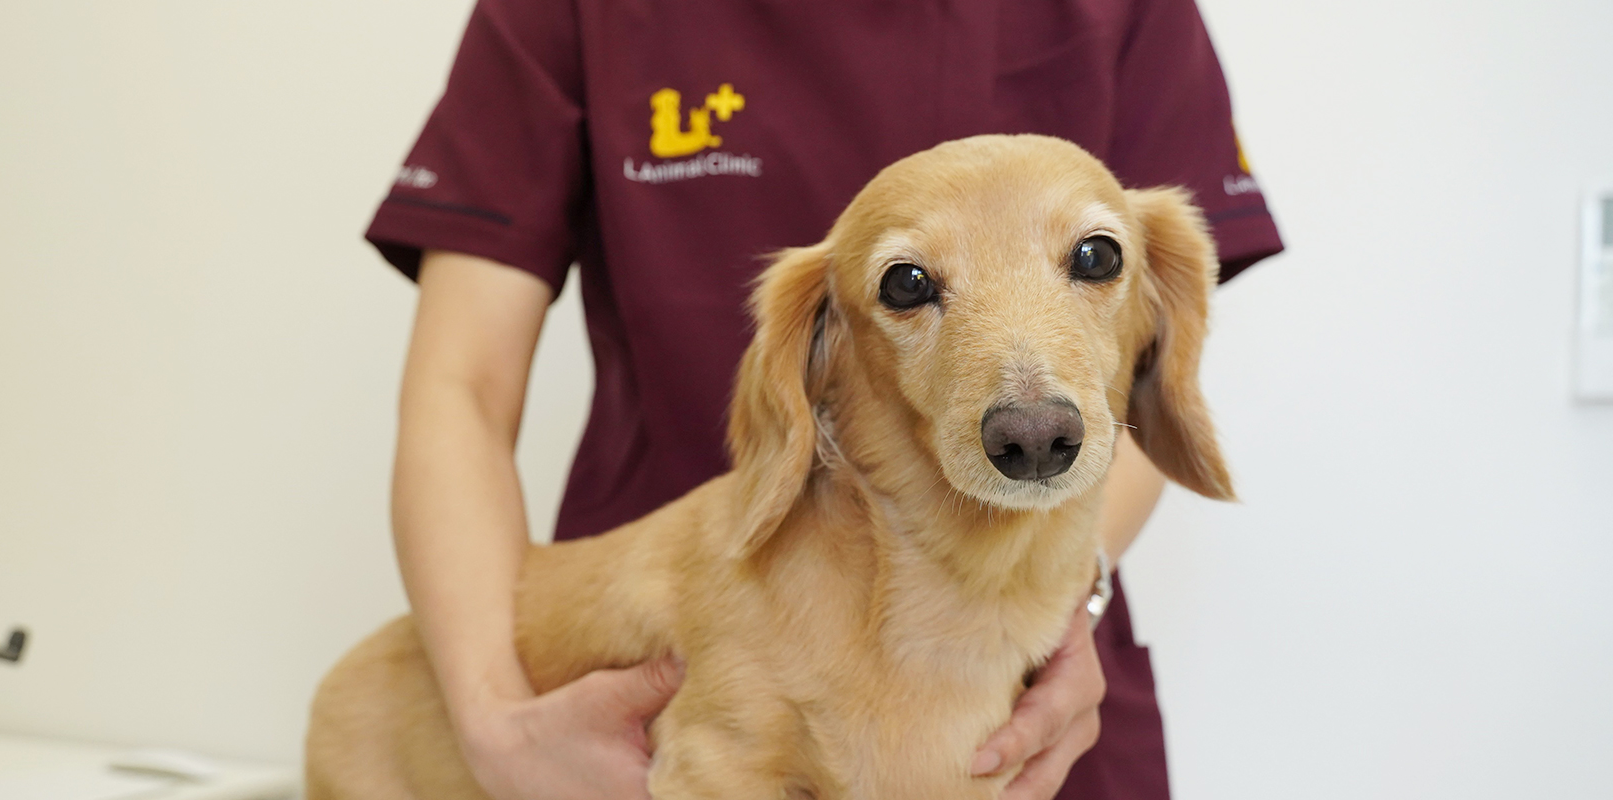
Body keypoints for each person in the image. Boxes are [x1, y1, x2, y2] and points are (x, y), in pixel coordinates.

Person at [364, 0, 1282, 797]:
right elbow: (462, 388)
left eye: (1092, 259)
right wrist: (492, 724)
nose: (1033, 425)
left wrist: (1061, 609)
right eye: (910, 285)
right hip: (663, 690)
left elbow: (1132, 383)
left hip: (1044, 707)